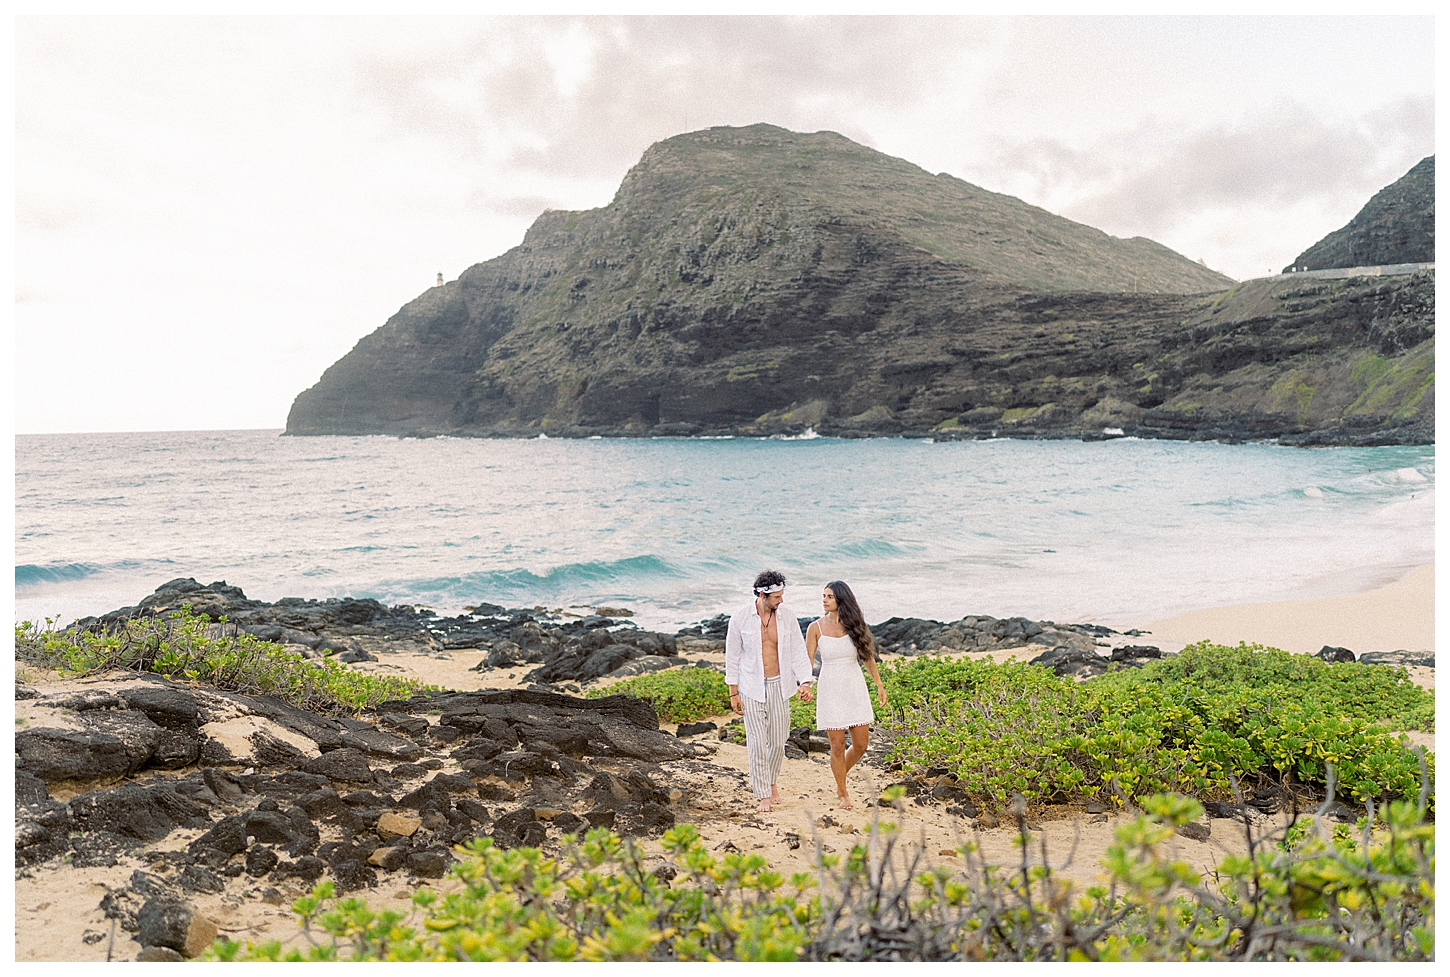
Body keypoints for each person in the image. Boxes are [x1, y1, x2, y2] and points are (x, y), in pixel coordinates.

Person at [725, 570, 814, 813]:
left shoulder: (787, 617)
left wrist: (805, 682)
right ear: (763, 595)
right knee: (755, 741)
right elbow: (732, 658)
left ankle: (771, 779)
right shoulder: (740, 618)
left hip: (780, 684)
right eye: (777, 597)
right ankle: (763, 791)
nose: (781, 600)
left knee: (778, 740)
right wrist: (734, 693)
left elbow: (798, 651)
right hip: (751, 687)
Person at [806, 580, 887, 810]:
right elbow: (807, 661)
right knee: (837, 745)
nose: (824, 600)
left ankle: (838, 773)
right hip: (830, 687)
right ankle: (843, 792)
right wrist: (806, 685)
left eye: (829, 596)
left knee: (861, 744)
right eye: (823, 596)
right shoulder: (815, 628)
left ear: (841, 599)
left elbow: (867, 657)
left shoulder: (855, 625)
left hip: (854, 686)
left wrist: (879, 685)